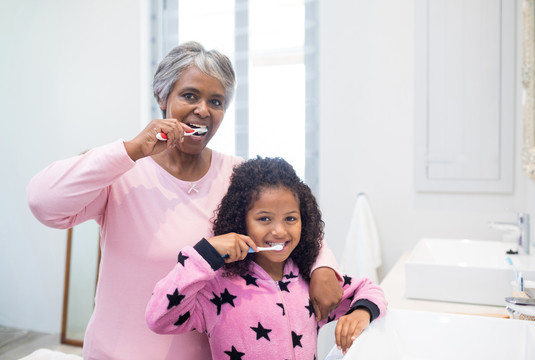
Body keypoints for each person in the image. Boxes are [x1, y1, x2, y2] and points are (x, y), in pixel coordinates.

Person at [26, 41, 343, 360]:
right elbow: (43, 203)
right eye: (190, 95)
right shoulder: (123, 171)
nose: (203, 110)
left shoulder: (238, 175)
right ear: (162, 97)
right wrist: (132, 150)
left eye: (216, 101)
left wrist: (323, 267)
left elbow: (289, 225)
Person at [146, 157, 387, 359]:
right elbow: (159, 318)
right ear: (242, 221)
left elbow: (371, 290)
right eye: (264, 219)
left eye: (290, 219)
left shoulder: (308, 279)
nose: (280, 231)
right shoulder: (216, 286)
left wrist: (360, 313)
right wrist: (206, 254)